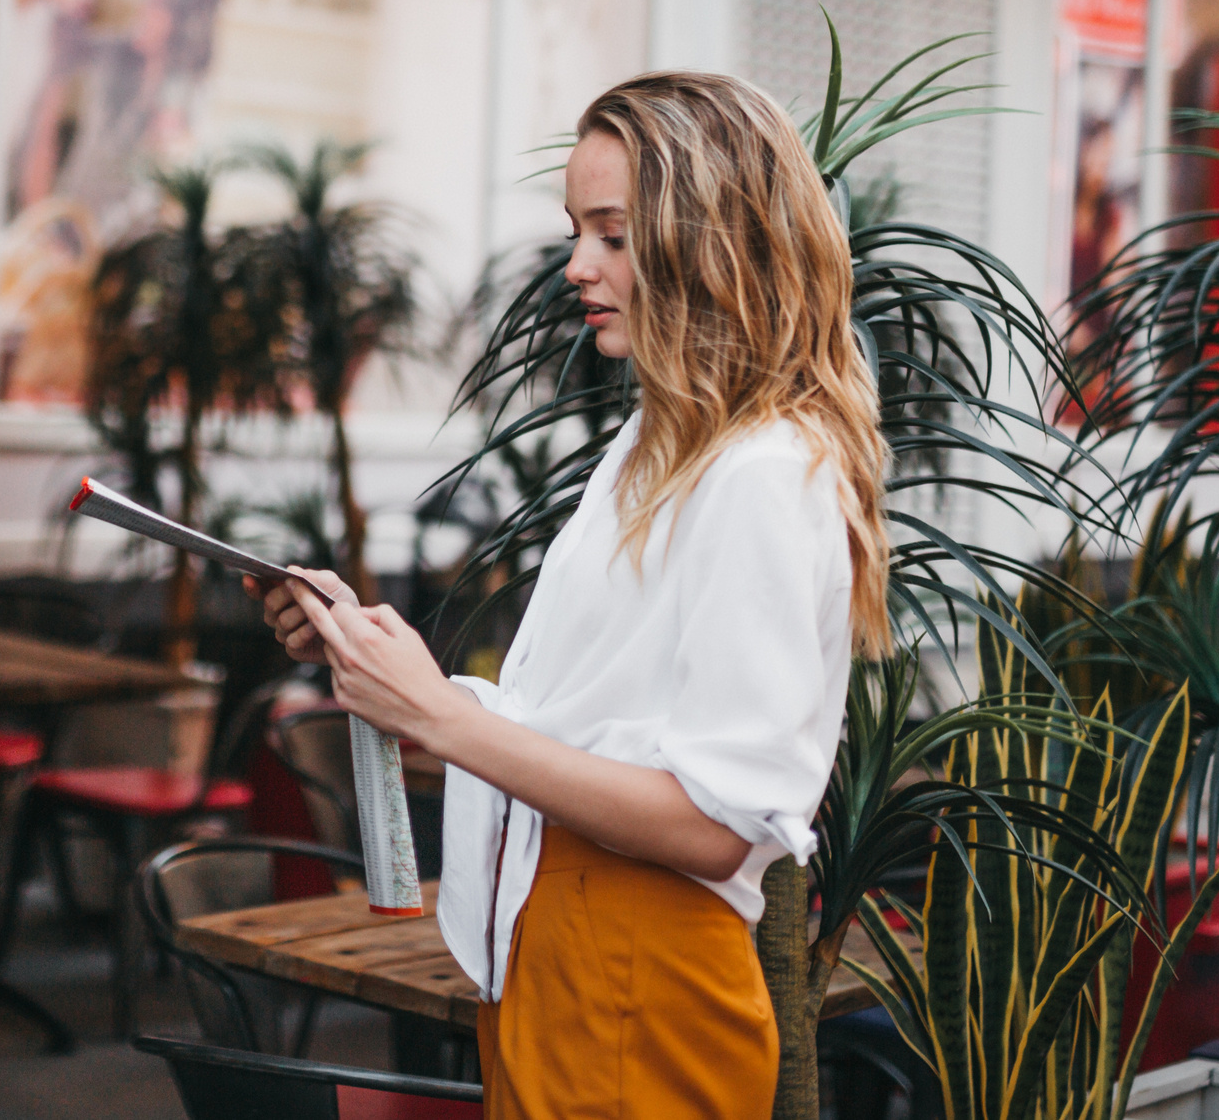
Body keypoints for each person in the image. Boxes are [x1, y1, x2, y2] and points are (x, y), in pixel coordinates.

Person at [249, 71, 890, 1119]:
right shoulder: (661, 443)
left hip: (639, 973)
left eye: (614, 235)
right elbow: (596, 731)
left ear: (713, 241)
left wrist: (441, 715)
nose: (576, 267)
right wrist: (377, 663)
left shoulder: (766, 472)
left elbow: (713, 825)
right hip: (565, 958)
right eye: (575, 232)